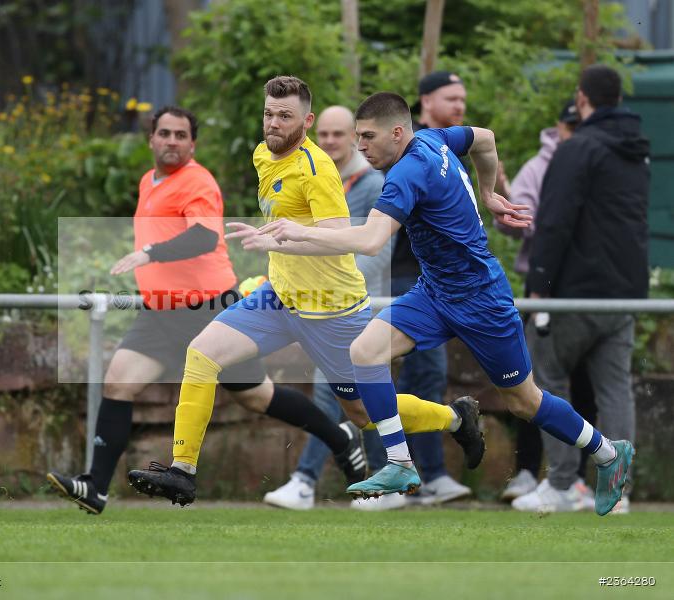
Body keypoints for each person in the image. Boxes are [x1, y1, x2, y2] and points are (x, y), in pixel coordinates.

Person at [256, 90, 633, 517]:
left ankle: (607, 453)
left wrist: (299, 232)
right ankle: (400, 464)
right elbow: (486, 140)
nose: (361, 147)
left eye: (367, 137)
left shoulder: (406, 174)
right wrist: (488, 194)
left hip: (481, 299)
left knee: (523, 401)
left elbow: (371, 239)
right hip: (434, 292)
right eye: (358, 137)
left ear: (397, 133)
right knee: (364, 350)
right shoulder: (434, 138)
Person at [126, 78, 485, 507]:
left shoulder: (316, 169)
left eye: (285, 116)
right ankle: (183, 472)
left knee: (365, 415)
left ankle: (454, 418)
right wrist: (274, 243)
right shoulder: (263, 155)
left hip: (331, 309)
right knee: (202, 354)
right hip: (280, 297)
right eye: (268, 114)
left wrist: (278, 239)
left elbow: (336, 234)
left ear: (306, 121)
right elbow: (289, 222)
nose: (273, 124)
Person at [46, 105, 371, 514]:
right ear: (151, 139)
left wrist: (149, 254)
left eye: (180, 135)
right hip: (161, 312)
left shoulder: (197, 181)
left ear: (192, 144)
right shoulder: (150, 181)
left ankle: (340, 438)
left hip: (207, 307)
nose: (171, 141)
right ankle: (95, 488)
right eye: (164, 133)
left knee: (257, 397)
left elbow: (202, 237)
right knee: (118, 384)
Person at [515, 65, 649, 514]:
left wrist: (539, 289)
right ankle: (618, 491)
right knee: (615, 389)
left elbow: (553, 224)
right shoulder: (636, 152)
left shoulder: (577, 149)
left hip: (574, 292)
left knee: (545, 376)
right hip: (624, 293)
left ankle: (562, 483)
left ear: (582, 98)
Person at [262, 105, 394, 511]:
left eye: (341, 134)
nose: (332, 141)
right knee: (356, 398)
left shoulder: (371, 183)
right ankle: (380, 479)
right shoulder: (305, 168)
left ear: (355, 137)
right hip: (309, 300)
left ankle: (313, 480)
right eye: (327, 135)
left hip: (348, 302)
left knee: (344, 393)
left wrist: (338, 284)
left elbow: (377, 247)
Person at [494, 100, 597, 508]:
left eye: (578, 124)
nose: (572, 131)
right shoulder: (540, 167)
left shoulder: (597, 161)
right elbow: (518, 221)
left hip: (585, 288)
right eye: (568, 125)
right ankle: (532, 474)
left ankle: (580, 480)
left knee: (582, 387)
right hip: (544, 288)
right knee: (531, 385)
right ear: (559, 126)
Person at [394, 71, 471, 506]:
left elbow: (484, 141)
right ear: (425, 100)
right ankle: (423, 477)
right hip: (411, 275)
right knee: (423, 373)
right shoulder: (416, 149)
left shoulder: (446, 144)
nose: (460, 104)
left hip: (441, 278)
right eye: (451, 97)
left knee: (420, 375)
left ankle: (418, 477)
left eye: (463, 98)